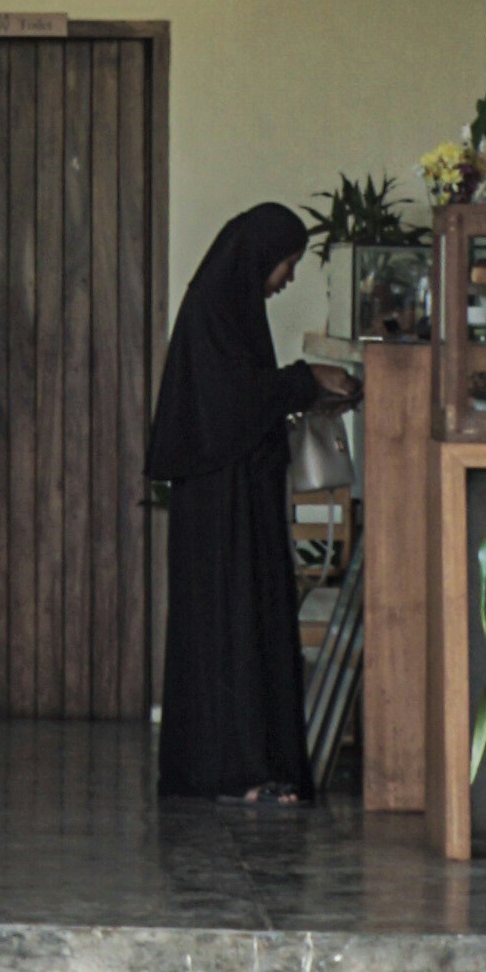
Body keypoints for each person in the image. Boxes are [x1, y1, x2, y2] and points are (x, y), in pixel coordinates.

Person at [145, 202, 354, 805]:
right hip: (219, 503)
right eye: (285, 264)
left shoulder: (229, 308)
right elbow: (230, 401)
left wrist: (305, 389)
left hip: (234, 497)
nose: (287, 278)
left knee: (244, 623)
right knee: (226, 629)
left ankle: (250, 766)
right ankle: (228, 770)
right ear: (259, 257)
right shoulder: (217, 309)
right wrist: (306, 379)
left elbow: (244, 399)